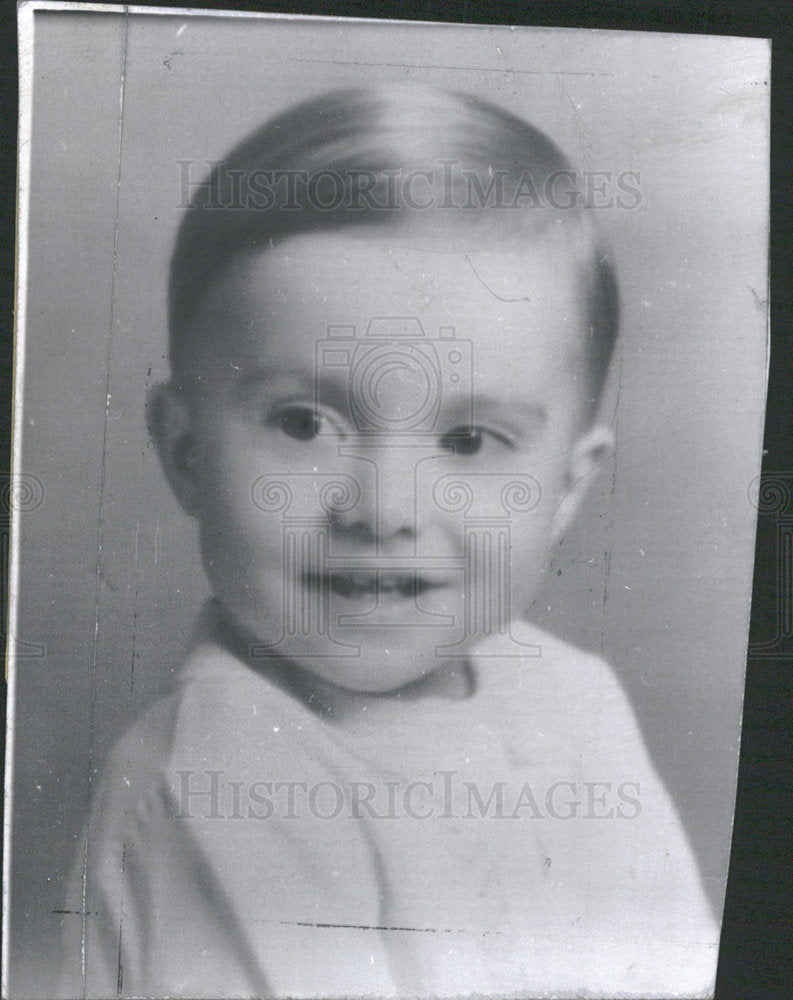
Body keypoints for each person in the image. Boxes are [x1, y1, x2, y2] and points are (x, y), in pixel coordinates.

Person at [61, 85, 719, 998]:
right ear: (185, 450)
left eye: (465, 441)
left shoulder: (575, 704)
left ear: (566, 487)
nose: (381, 508)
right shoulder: (213, 787)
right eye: (303, 423)